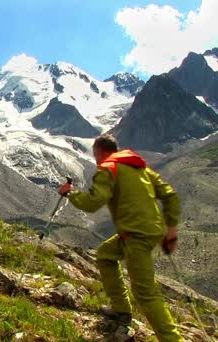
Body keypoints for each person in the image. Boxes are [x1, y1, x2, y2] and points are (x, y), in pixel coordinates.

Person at [58, 134, 183, 342]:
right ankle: (121, 309)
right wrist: (171, 229)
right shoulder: (139, 167)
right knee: (105, 255)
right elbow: (170, 195)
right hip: (148, 231)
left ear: (99, 152)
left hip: (136, 236)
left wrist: (70, 193)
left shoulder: (108, 168)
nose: (96, 160)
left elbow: (93, 203)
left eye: (95, 155)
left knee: (145, 293)